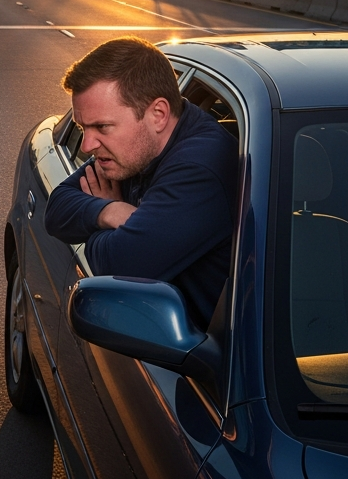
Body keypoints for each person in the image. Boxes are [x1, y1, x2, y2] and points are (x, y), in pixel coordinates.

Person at [44, 37, 237, 328]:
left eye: (102, 127)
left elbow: (117, 265)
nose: (87, 145)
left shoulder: (199, 169)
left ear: (157, 115)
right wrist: (109, 211)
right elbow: (56, 209)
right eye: (84, 128)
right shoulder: (135, 148)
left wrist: (95, 226)